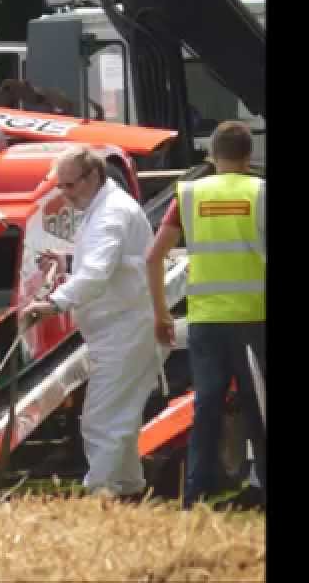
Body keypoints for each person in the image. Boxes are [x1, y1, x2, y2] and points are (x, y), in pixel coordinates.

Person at [20, 146, 161, 499]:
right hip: (121, 326)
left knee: (102, 419)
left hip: (122, 329)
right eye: (61, 186)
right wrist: (69, 263)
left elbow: (98, 273)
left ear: (94, 176)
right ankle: (128, 488)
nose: (66, 195)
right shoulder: (106, 209)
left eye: (70, 186)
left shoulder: (110, 214)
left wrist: (53, 303)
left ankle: (100, 493)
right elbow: (113, 265)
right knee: (119, 417)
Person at [145, 120, 265, 509]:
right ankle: (261, 487)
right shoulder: (260, 193)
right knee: (257, 407)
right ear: (250, 156)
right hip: (253, 319)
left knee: (206, 407)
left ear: (212, 155)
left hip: (206, 321)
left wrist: (162, 314)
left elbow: (153, 257)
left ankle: (195, 495)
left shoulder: (190, 194)